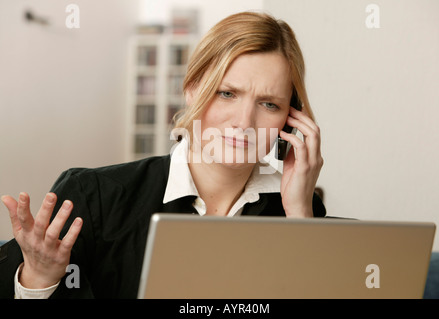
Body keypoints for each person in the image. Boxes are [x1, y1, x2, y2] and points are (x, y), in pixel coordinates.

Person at [0, 11, 325, 299]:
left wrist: (298, 214)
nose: (244, 122)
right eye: (227, 93)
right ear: (192, 89)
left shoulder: (299, 210)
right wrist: (39, 279)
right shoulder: (93, 197)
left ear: (291, 118)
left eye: (269, 104)